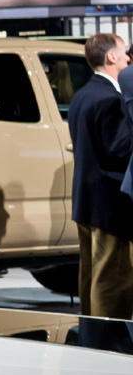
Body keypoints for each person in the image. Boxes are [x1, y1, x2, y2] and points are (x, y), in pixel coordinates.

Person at [69, 33, 133, 318]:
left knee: (90, 274)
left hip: (86, 201)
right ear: (111, 57)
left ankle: (91, 334)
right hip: (109, 201)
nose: (128, 58)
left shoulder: (83, 95)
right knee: (113, 279)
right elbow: (120, 150)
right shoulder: (109, 99)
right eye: (124, 52)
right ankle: (110, 338)